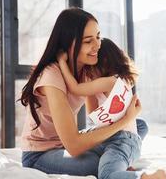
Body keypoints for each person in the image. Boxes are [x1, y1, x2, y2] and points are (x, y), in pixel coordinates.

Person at [20, 7, 166, 179]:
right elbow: (74, 146)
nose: (98, 45)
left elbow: (94, 115)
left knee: (139, 125)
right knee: (99, 162)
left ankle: (119, 153)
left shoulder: (87, 71)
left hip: (67, 142)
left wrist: (119, 118)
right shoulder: (51, 76)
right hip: (41, 154)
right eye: (88, 41)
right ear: (68, 44)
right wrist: (125, 120)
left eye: (98, 36)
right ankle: (122, 160)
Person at [57, 37, 150, 178]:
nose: (88, 72)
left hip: (121, 141)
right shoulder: (120, 80)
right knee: (141, 125)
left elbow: (75, 88)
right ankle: (126, 159)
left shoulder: (110, 82)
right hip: (119, 135)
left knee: (107, 175)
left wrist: (62, 63)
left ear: (104, 63)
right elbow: (95, 116)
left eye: (90, 67)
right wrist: (90, 91)